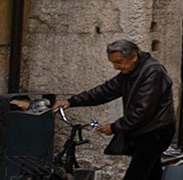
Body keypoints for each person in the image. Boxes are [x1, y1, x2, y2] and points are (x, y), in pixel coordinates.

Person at [65, 38, 176, 180]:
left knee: (137, 174)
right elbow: (105, 91)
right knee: (152, 174)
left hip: (155, 132)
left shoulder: (153, 72)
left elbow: (143, 110)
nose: (116, 67)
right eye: (113, 63)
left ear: (134, 57)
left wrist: (115, 127)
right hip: (145, 132)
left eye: (118, 62)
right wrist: (71, 102)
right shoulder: (129, 73)